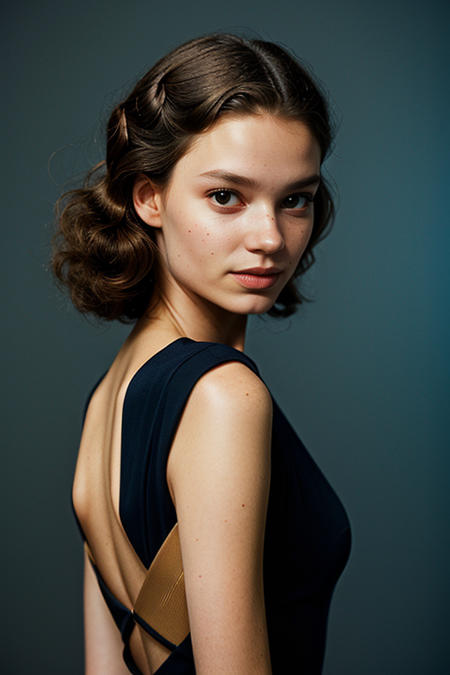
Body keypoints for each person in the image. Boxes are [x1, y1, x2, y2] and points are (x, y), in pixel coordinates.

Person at [52, 33, 351, 675]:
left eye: (294, 198)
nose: (270, 237)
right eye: (226, 196)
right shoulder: (223, 396)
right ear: (148, 197)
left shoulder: (108, 396)